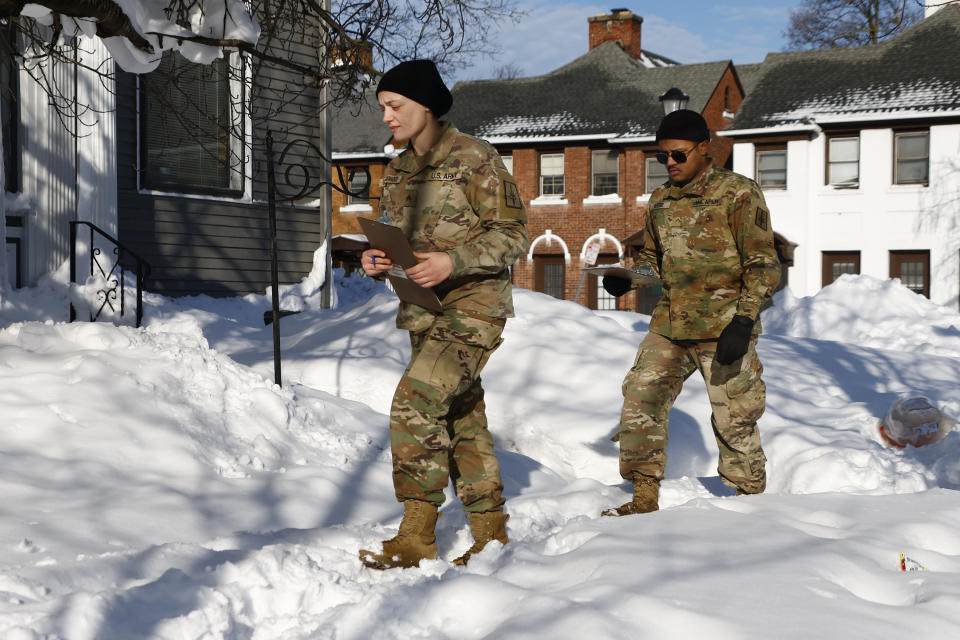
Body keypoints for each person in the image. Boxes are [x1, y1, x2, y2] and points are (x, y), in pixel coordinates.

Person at [357, 60, 529, 568]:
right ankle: (490, 530)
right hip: (423, 308)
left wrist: (454, 260)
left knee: (415, 403)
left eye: (395, 106)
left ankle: (416, 535)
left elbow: (514, 233)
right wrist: (377, 258)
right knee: (460, 416)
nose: (387, 116)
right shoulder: (399, 169)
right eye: (383, 107)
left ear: (425, 105)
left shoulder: (475, 157)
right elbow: (394, 232)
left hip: (475, 306)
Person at [602, 109, 781, 516]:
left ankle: (749, 504)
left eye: (678, 155)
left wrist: (744, 319)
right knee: (640, 399)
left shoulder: (738, 193)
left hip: (725, 324)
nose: (670, 163)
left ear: (704, 148)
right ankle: (644, 496)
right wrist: (630, 278)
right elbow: (652, 258)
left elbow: (763, 264)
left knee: (735, 414)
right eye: (663, 156)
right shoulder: (661, 200)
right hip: (671, 324)